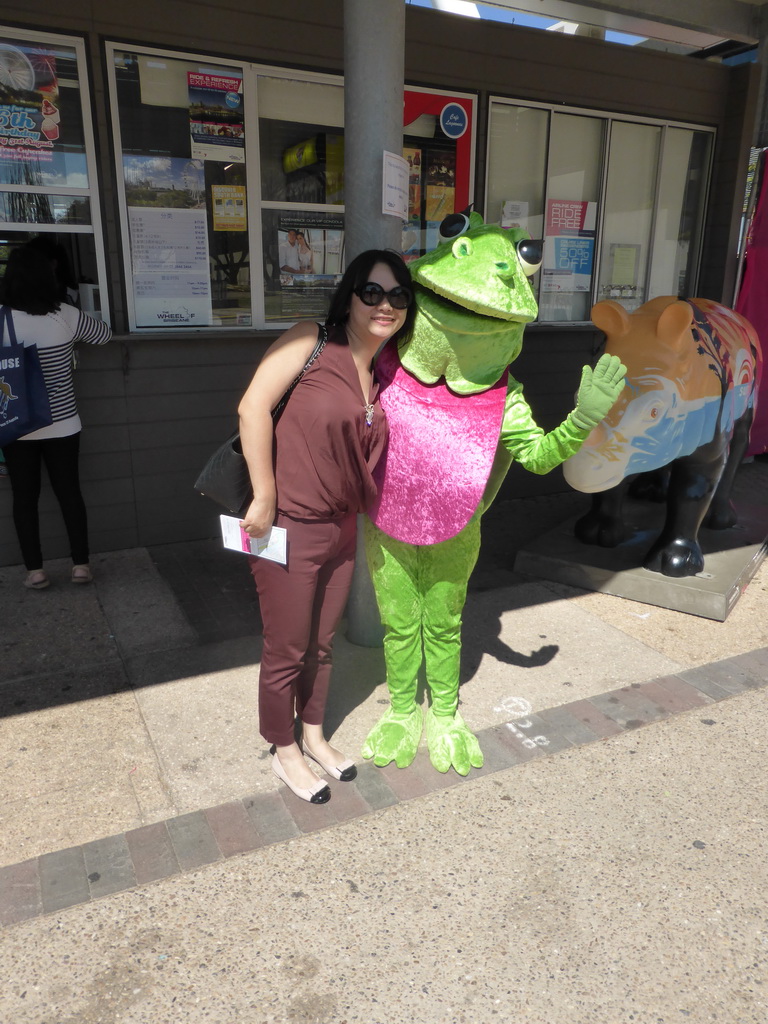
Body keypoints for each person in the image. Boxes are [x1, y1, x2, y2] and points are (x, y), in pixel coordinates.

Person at [238, 249, 415, 804]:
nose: (385, 305)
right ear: (350, 296)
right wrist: (265, 494)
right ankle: (282, 747)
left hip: (342, 527)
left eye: (398, 296)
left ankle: (312, 734)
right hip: (286, 524)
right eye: (372, 292)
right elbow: (252, 407)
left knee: (321, 643)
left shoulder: (381, 371)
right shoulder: (311, 339)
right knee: (286, 646)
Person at [0, 244, 112, 589]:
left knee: (24, 498)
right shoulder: (64, 315)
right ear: (47, 276)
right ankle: (80, 566)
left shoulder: (2, 318)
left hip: (16, 425)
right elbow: (104, 336)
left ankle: (35, 571)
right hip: (64, 423)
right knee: (69, 493)